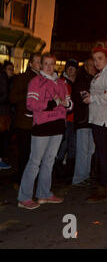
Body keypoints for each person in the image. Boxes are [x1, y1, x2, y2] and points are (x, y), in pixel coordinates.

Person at [17, 53, 72, 209]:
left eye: (51, 64)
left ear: (55, 65)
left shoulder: (61, 83)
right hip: (42, 126)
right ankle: (24, 197)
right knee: (35, 162)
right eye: (45, 64)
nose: (49, 67)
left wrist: (67, 104)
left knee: (49, 161)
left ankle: (44, 194)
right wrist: (54, 103)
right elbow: (31, 104)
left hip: (58, 126)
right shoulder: (36, 82)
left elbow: (69, 104)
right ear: (40, 65)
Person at [83, 46, 107, 203]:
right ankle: (103, 183)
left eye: (100, 58)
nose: (97, 62)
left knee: (103, 153)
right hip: (100, 119)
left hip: (105, 121)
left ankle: (104, 186)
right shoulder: (104, 73)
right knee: (101, 152)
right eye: (95, 59)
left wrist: (93, 99)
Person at [9, 53, 42, 182]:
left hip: (38, 121)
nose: (40, 64)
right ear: (31, 64)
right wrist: (28, 93)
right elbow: (12, 98)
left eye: (41, 61)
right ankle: (22, 177)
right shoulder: (23, 78)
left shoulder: (43, 78)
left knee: (34, 153)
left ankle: (30, 177)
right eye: (38, 61)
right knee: (25, 152)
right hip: (24, 122)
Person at [71, 58, 96, 186]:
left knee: (90, 150)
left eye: (94, 65)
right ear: (85, 66)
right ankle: (79, 177)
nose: (93, 67)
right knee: (83, 150)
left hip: (91, 121)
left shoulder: (93, 79)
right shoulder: (82, 81)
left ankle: (85, 175)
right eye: (90, 65)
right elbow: (84, 99)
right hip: (83, 121)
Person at [54, 58, 78, 181]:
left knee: (72, 146)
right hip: (65, 119)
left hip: (75, 120)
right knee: (63, 145)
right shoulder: (61, 82)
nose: (70, 69)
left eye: (73, 67)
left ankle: (69, 171)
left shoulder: (76, 83)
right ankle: (58, 171)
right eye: (68, 67)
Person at [0, 61, 14, 170]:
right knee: (2, 138)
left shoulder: (7, 79)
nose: (12, 71)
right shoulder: (3, 78)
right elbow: (5, 95)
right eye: (10, 68)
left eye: (12, 69)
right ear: (4, 69)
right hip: (3, 113)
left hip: (4, 113)